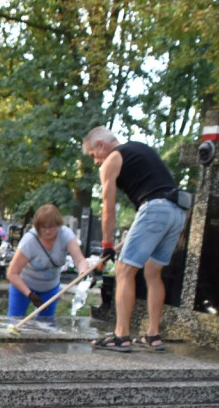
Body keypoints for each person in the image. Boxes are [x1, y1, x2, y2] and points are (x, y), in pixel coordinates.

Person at [82, 126, 188, 352]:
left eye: (93, 155)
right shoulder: (140, 148)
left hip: (155, 209)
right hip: (177, 211)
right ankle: (153, 334)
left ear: (101, 146)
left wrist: (107, 245)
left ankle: (121, 335)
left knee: (123, 270)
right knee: (152, 271)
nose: (96, 162)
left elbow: (108, 209)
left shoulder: (112, 160)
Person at [6, 204, 89, 319]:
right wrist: (30, 295)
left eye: (51, 227)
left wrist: (83, 273)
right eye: (43, 227)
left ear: (58, 225)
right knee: (15, 320)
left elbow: (80, 260)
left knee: (46, 325)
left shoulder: (66, 235)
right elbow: (12, 273)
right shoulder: (29, 241)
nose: (47, 231)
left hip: (49, 288)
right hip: (24, 286)